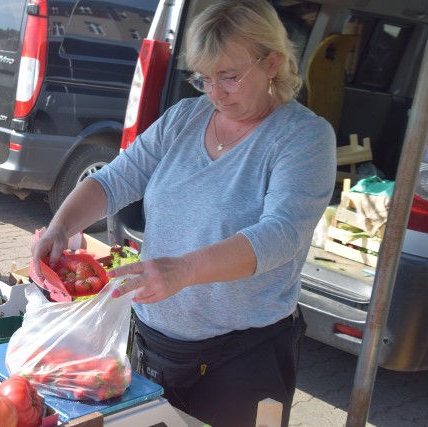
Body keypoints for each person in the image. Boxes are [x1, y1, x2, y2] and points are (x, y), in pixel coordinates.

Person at [31, 0, 336, 425]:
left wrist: (184, 270)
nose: (214, 93)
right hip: (155, 340)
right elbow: (115, 179)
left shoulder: (303, 137)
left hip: (243, 353)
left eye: (228, 77)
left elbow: (282, 233)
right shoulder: (185, 118)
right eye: (204, 78)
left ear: (272, 63)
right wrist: (61, 227)